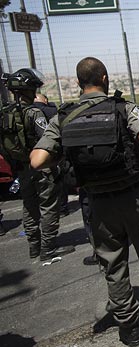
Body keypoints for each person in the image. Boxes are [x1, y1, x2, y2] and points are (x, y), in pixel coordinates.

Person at [30, 57, 139, 347]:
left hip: (98, 204)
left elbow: (37, 159)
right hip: (134, 198)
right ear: (104, 78)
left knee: (113, 266)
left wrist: (66, 152)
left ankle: (130, 329)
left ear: (79, 83)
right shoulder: (122, 108)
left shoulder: (63, 117)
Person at [3, 69, 74, 262]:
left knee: (29, 206)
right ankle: (48, 248)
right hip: (42, 168)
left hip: (21, 168)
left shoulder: (5, 114)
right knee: (49, 207)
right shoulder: (34, 113)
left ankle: (34, 246)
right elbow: (48, 138)